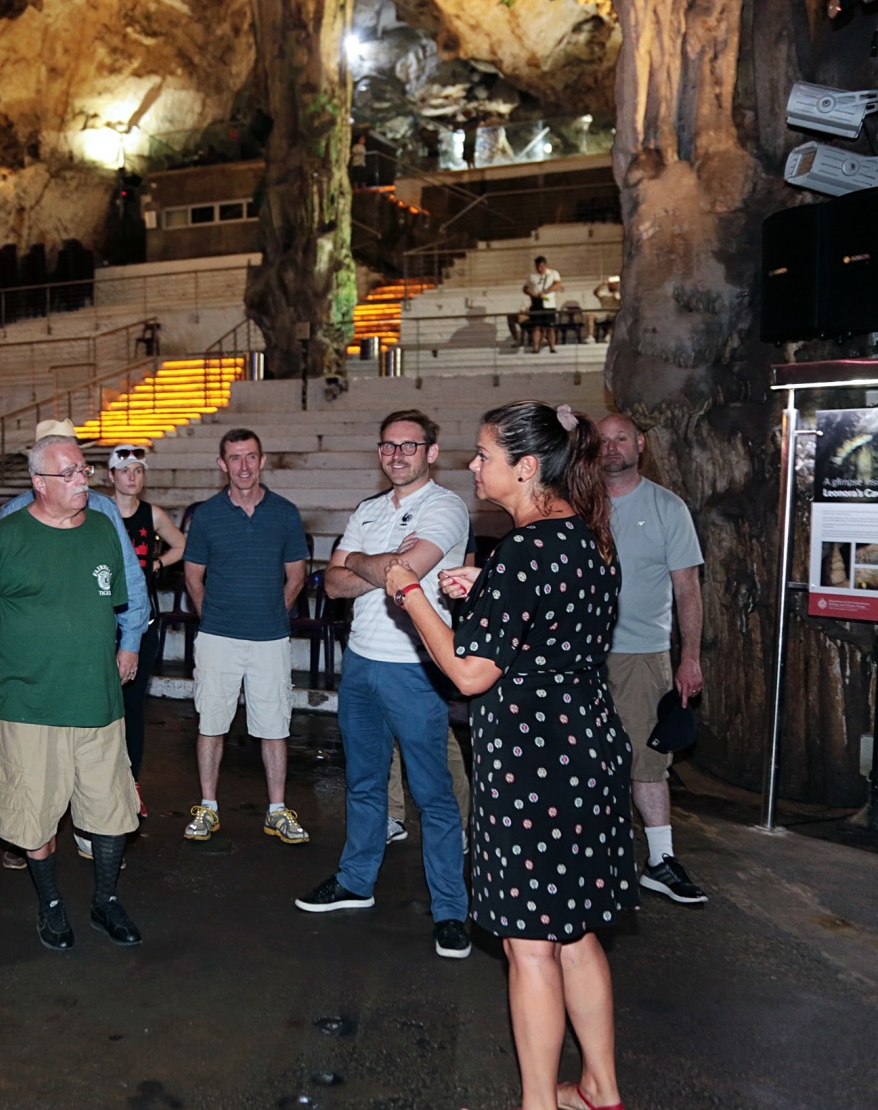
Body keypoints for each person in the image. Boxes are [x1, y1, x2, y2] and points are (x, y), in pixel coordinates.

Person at [390, 400, 634, 1110]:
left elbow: (470, 673)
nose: (472, 465)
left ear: (526, 468)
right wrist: (485, 591)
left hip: (535, 764)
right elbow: (550, 629)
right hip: (587, 751)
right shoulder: (588, 535)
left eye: (483, 455)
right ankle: (599, 1088)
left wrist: (410, 594)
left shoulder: (524, 551)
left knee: (530, 945)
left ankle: (537, 1105)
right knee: (575, 931)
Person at [296, 410, 472, 961]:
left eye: (409, 446)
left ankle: (451, 909)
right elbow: (333, 583)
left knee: (433, 794)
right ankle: (356, 880)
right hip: (361, 664)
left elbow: (405, 575)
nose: (397, 455)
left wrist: (360, 562)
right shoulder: (368, 510)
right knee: (365, 783)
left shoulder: (446, 507)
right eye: (389, 446)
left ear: (431, 452)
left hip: (414, 667)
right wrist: (379, 565)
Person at [0, 434, 142, 950]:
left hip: (98, 702)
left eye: (84, 470)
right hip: (29, 707)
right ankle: (52, 905)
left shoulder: (102, 529)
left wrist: (125, 648)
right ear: (39, 483)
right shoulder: (7, 537)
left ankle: (105, 901)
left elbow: (116, 603)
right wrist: (8, 662)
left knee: (112, 810)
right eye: (70, 474)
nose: (83, 480)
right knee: (33, 813)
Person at [0, 419, 149, 864]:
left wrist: (130, 641)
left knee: (94, 747)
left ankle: (90, 829)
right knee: (34, 753)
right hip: (38, 665)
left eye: (77, 460)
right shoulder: (13, 514)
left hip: (90, 657)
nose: (77, 473)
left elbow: (129, 578)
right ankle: (30, 835)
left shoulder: (102, 510)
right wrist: (8, 657)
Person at [180, 427, 313, 845]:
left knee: (275, 726)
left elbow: (297, 575)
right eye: (235, 458)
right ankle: (207, 807)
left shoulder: (285, 512)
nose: (243, 466)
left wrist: (273, 614)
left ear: (263, 460)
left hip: (270, 639)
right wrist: (213, 618)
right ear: (222, 464)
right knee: (211, 723)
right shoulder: (207, 515)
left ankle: (277, 810)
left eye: (251, 456)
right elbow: (193, 576)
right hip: (218, 638)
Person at [600, 413, 707, 905]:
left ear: (640, 444)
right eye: (602, 440)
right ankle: (597, 855)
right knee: (586, 757)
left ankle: (660, 860)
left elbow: (688, 588)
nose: (611, 447)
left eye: (621, 438)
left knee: (646, 760)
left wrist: (690, 659)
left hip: (642, 653)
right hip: (580, 654)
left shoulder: (667, 507)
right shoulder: (579, 504)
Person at [107, 443, 185, 809]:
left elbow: (180, 545)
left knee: (133, 707)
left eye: (138, 471)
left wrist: (156, 564)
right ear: (112, 476)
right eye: (125, 471)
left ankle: (131, 783)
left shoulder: (151, 514)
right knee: (100, 707)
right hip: (102, 624)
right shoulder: (98, 511)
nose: (132, 477)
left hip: (140, 623)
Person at [522, 256, 564, 353]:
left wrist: (545, 292)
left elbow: (557, 284)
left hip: (549, 304)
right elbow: (525, 288)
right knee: (536, 327)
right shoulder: (532, 276)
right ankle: (536, 347)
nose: (539, 269)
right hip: (536, 303)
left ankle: (552, 347)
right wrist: (532, 294)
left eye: (541, 267)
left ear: (545, 265)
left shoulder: (553, 273)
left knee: (550, 327)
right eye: (537, 267)